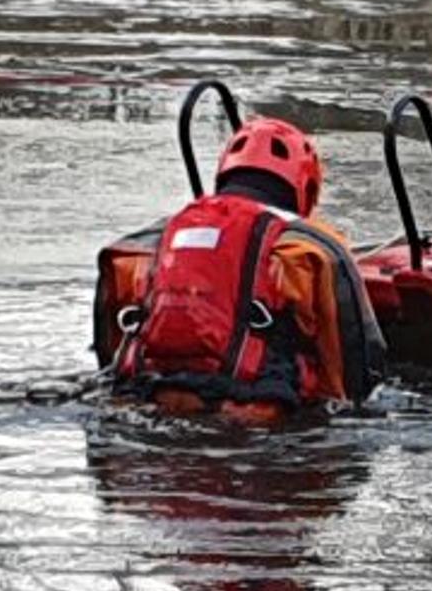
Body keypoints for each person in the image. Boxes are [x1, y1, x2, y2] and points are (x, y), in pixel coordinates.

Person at [95, 117, 386, 426]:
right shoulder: (311, 250)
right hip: (256, 415)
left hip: (150, 400)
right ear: (306, 186)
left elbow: (107, 355)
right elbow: (359, 361)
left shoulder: (142, 245)